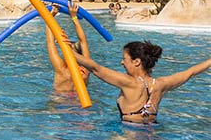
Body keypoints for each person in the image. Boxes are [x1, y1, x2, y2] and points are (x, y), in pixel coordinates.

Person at [72, 40, 211, 124]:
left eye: (124, 59)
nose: (122, 62)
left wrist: (69, 51)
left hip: (129, 135)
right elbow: (191, 72)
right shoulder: (161, 84)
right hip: (152, 133)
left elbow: (96, 69)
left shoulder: (128, 82)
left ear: (137, 62)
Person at [45, 2, 90, 93]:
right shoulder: (86, 71)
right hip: (79, 103)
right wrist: (74, 17)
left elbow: (50, 42)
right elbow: (83, 41)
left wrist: (52, 14)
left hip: (60, 101)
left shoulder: (61, 69)